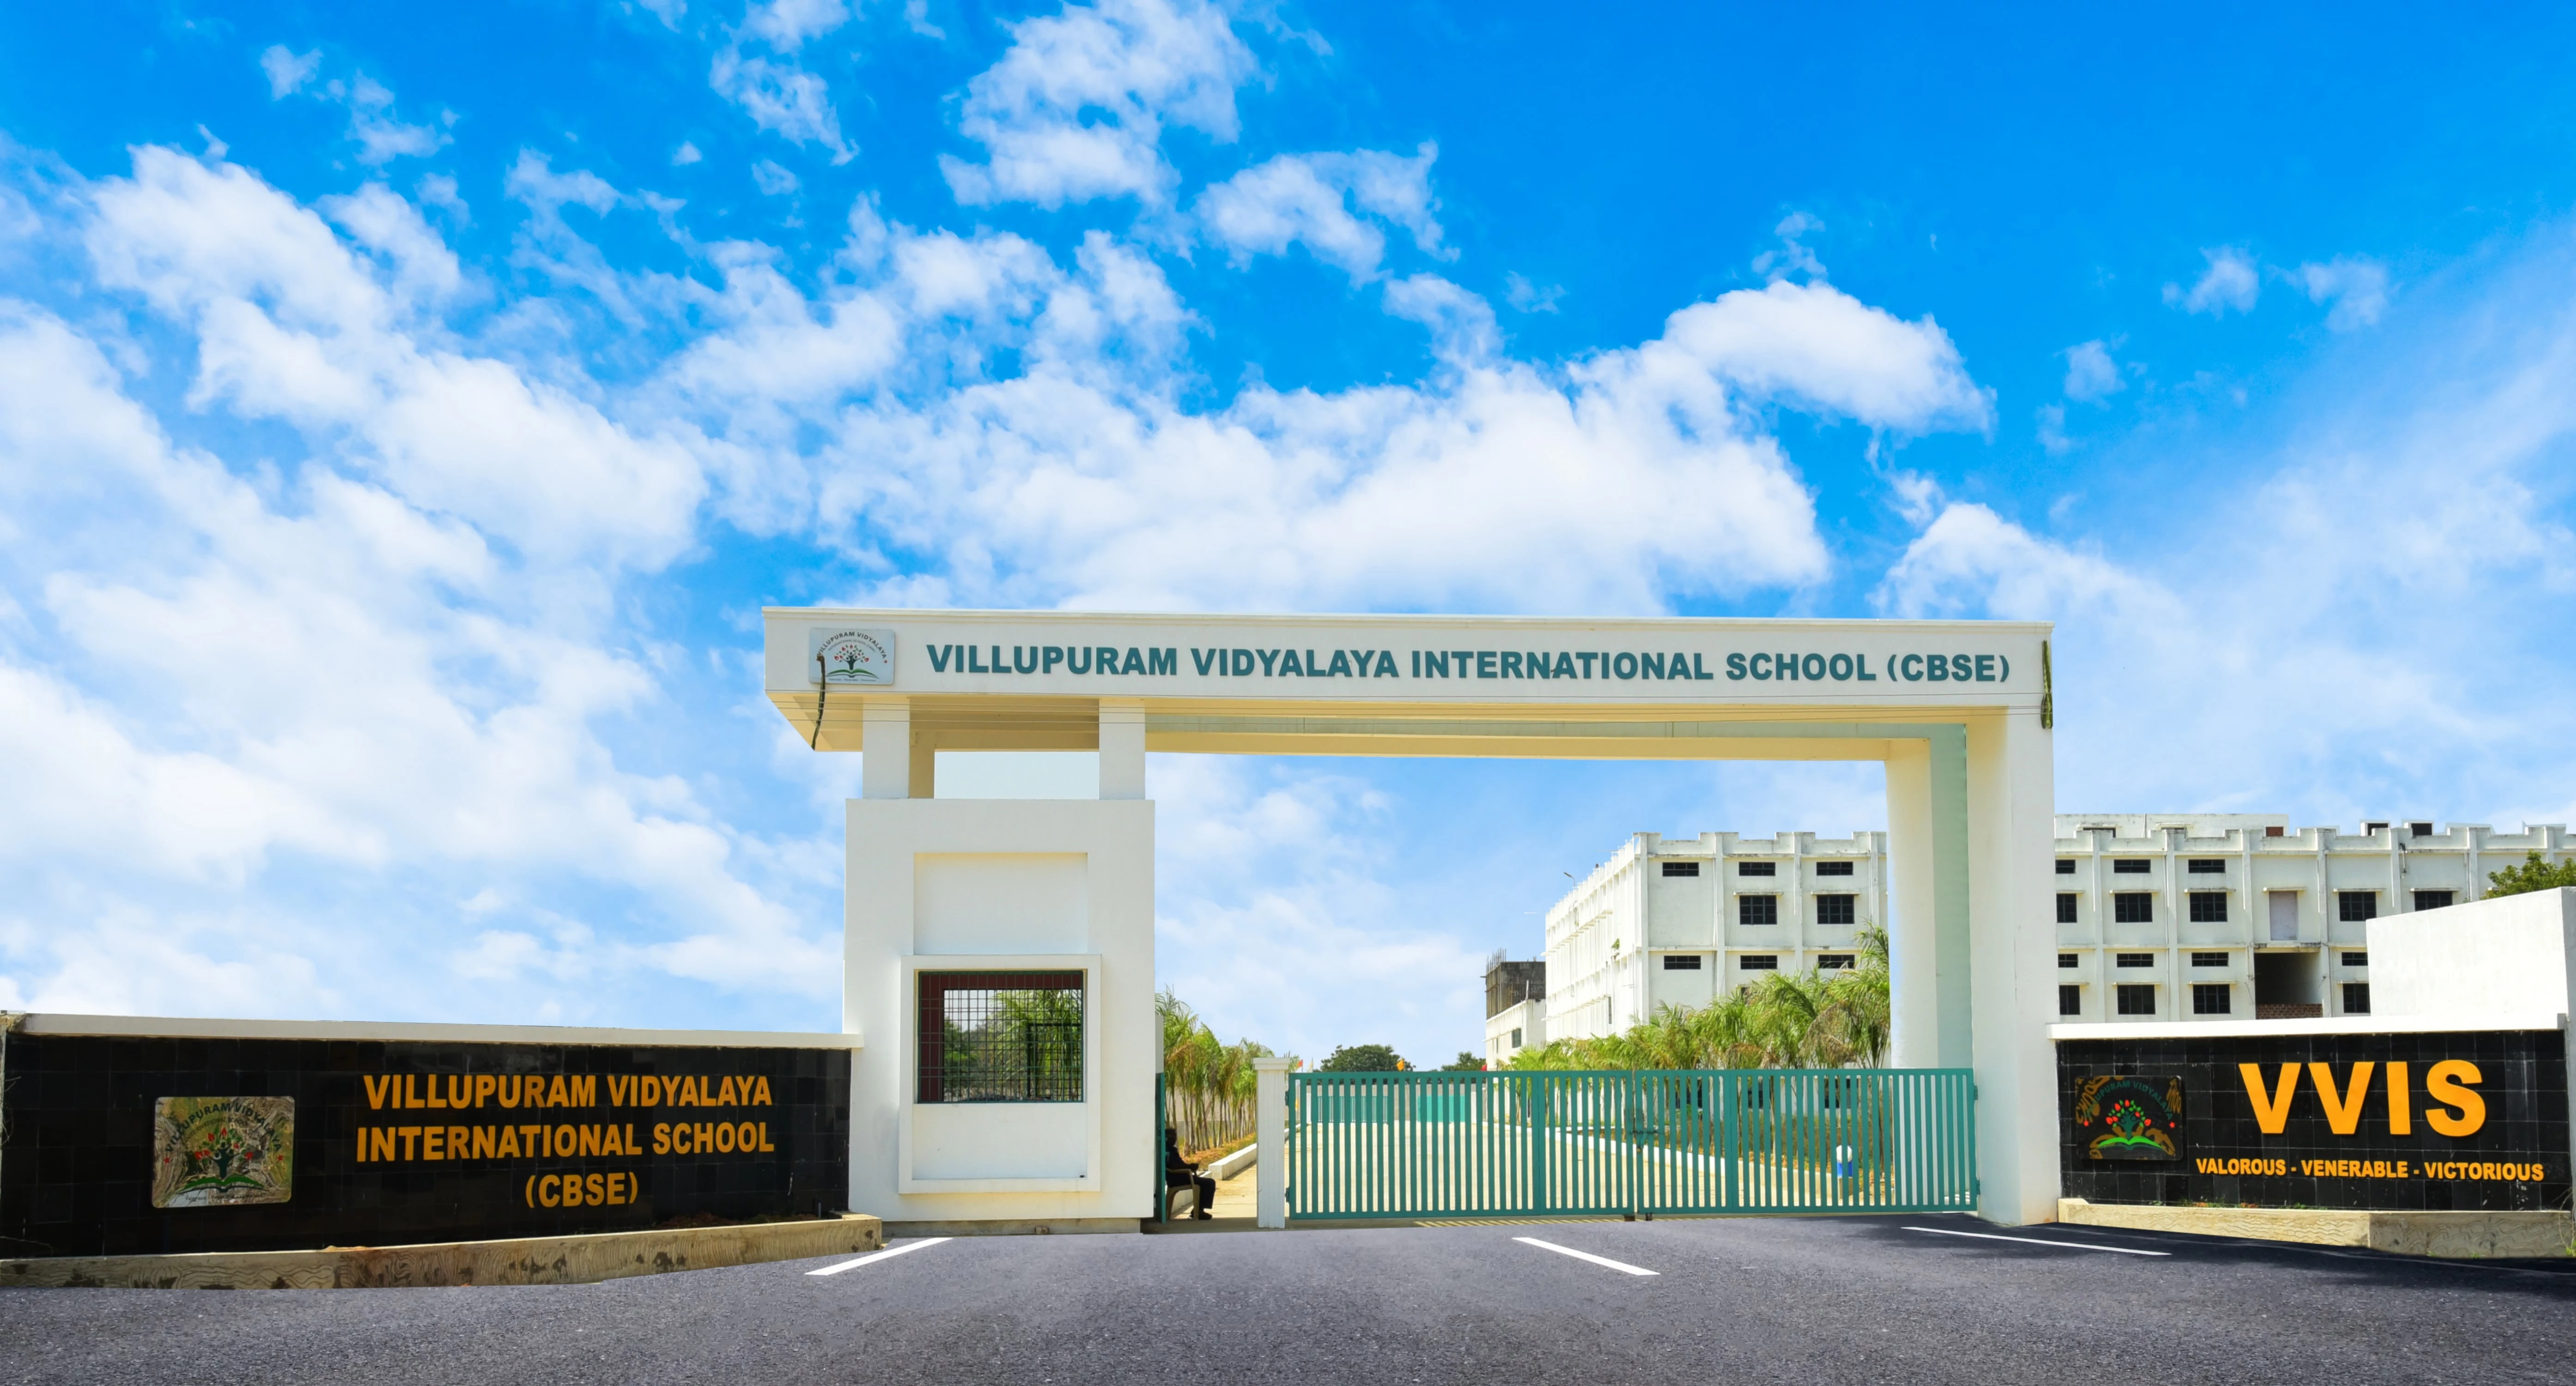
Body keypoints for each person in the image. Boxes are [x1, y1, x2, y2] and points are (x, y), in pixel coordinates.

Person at [1163, 1127, 1215, 1220]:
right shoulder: (1167, 1151)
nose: (1175, 1139)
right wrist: (1190, 1167)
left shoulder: (1172, 1150)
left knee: (1209, 1182)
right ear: (1167, 1138)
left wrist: (1190, 1166)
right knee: (1209, 1183)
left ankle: (1199, 1209)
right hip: (1177, 1178)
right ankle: (1199, 1211)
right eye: (1173, 1137)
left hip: (1183, 1176)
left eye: (1175, 1136)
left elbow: (1179, 1164)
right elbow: (1173, 1166)